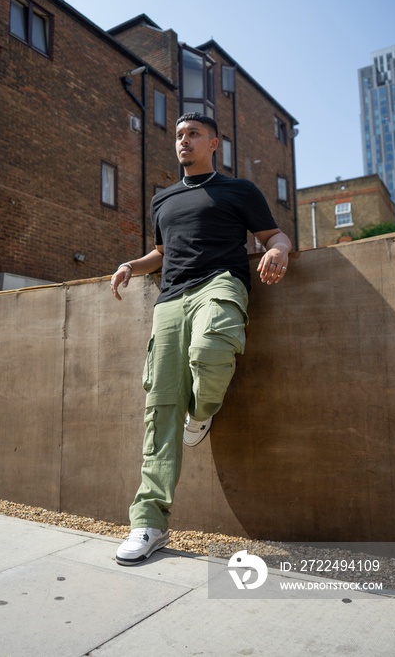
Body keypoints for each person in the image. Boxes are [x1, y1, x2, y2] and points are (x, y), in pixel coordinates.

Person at [110, 112, 291, 565]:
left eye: (192, 135)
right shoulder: (162, 200)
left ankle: (203, 411)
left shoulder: (239, 190)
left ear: (214, 144)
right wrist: (132, 265)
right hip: (170, 298)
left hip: (220, 282)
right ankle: (148, 522)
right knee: (160, 403)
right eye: (178, 136)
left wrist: (277, 249)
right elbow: (162, 252)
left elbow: (274, 234)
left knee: (210, 349)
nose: (182, 142)